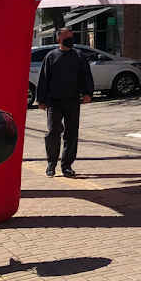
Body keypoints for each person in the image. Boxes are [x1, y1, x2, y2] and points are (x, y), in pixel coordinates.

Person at [37, 28, 93, 178]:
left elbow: (86, 76)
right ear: (58, 40)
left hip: (73, 100)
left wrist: (87, 93)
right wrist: (41, 100)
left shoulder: (78, 56)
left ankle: (67, 165)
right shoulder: (51, 56)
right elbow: (43, 79)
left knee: (71, 133)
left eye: (71, 36)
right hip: (54, 101)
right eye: (66, 37)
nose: (70, 39)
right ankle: (51, 164)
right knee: (54, 131)